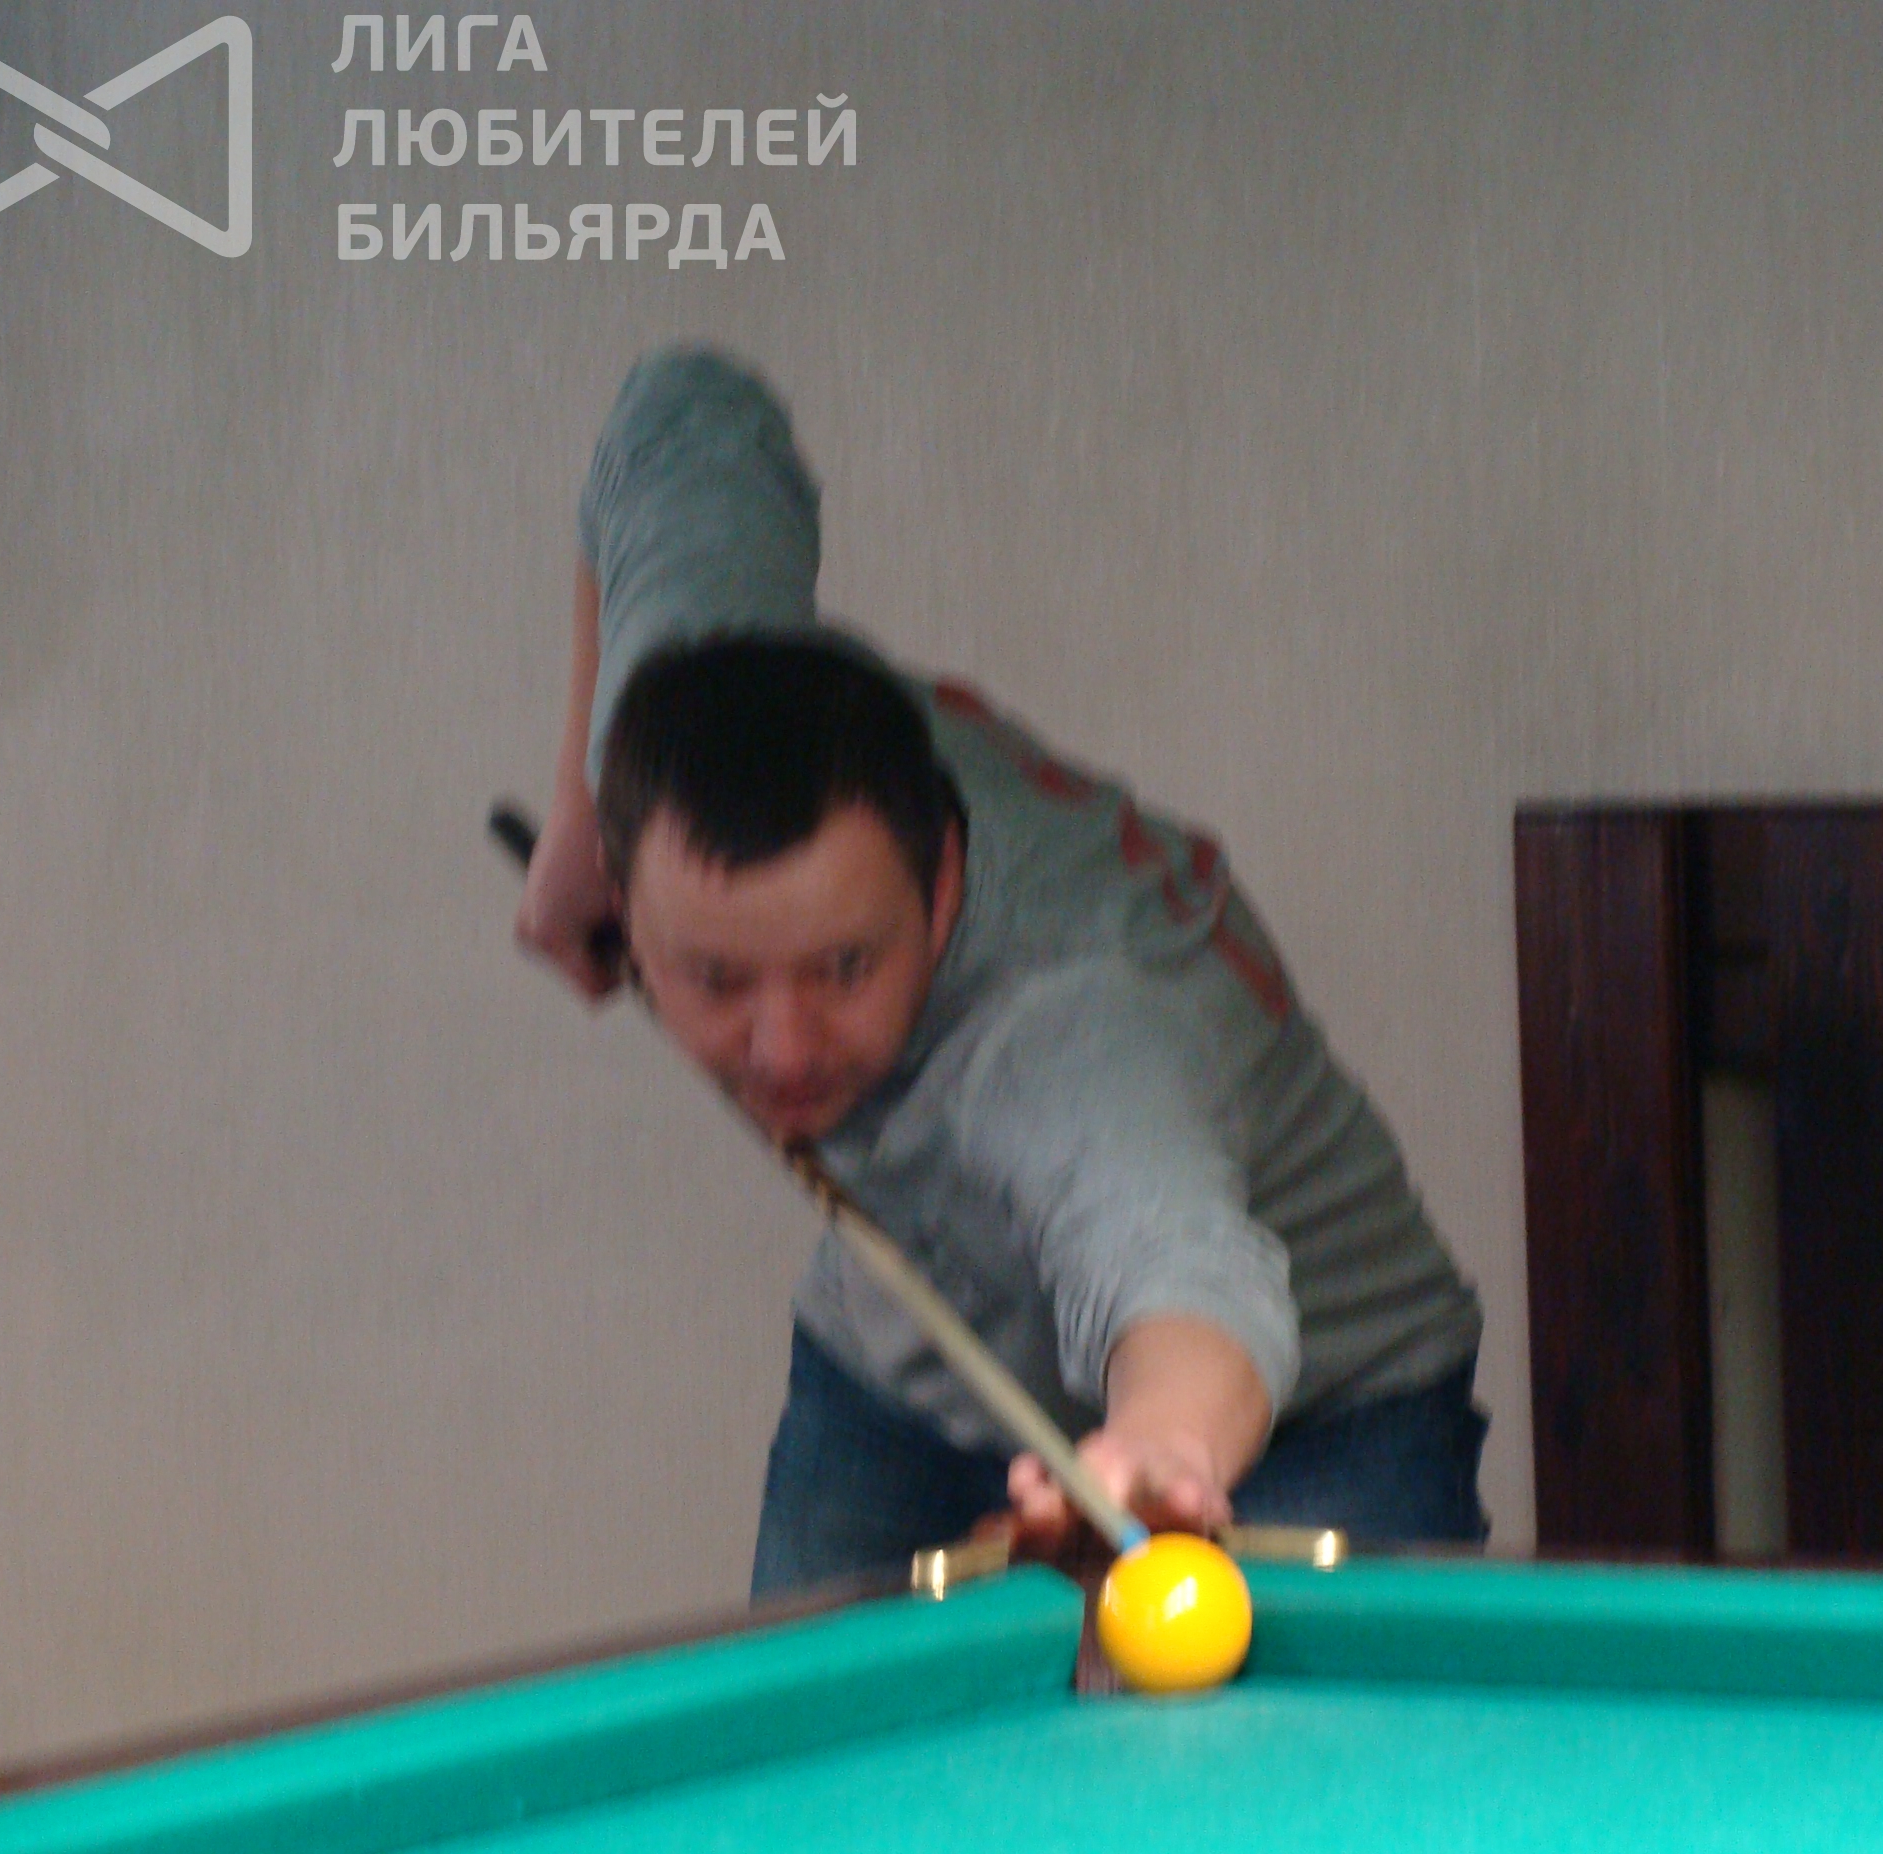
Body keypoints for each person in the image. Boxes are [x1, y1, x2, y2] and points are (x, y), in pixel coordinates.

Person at [516, 345, 1485, 1597]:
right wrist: (577, 811)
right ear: (636, 898)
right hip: (912, 1365)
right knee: (825, 1724)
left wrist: (1160, 1454)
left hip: (1321, 1415)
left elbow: (1181, 1265)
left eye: (844, 967)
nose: (784, 1047)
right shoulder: (672, 702)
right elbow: (682, 413)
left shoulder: (1070, 1029)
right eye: (714, 979)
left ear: (944, 888)